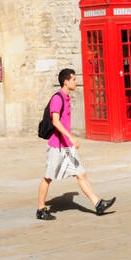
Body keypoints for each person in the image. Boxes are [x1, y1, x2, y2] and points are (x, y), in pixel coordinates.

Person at [36, 68, 116, 220]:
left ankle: (98, 203)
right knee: (48, 177)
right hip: (57, 147)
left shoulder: (66, 97)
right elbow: (55, 121)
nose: (76, 82)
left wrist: (70, 141)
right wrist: (71, 137)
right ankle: (40, 209)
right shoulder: (58, 98)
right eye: (73, 79)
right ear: (66, 82)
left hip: (67, 147)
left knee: (81, 174)